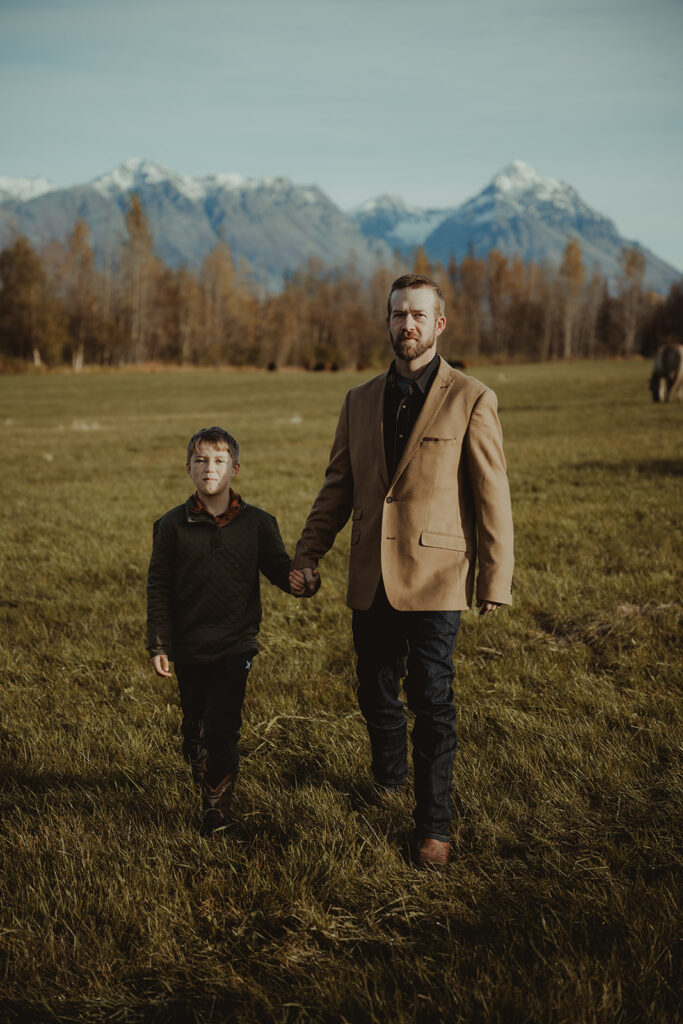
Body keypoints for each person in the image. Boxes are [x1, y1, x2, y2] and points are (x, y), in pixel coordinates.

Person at [289, 274, 513, 869]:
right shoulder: (358, 400)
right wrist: (308, 553)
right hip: (371, 574)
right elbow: (337, 486)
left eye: (417, 315)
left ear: (439, 324)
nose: (406, 325)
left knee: (431, 697)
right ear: (387, 322)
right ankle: (388, 779)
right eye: (397, 315)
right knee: (374, 688)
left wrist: (495, 577)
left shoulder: (472, 397)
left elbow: (492, 495)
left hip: (438, 574)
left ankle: (432, 826)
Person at [147, 425, 318, 837]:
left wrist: (302, 582)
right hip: (188, 646)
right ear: (188, 468)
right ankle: (198, 754)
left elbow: (280, 570)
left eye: (220, 461)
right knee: (195, 729)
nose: (211, 468)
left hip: (235, 644)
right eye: (202, 460)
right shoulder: (170, 525)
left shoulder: (259, 523)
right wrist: (158, 643)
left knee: (223, 726)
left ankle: (217, 812)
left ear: (235, 468)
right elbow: (158, 586)